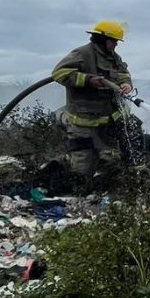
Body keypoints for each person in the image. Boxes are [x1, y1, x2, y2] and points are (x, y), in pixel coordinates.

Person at [52, 20, 135, 182]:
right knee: (83, 172)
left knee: (134, 131)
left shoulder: (114, 57)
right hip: (85, 121)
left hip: (111, 116)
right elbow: (59, 73)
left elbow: (123, 73)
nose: (116, 45)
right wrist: (87, 80)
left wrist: (126, 84)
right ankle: (81, 190)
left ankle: (133, 172)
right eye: (114, 41)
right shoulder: (82, 54)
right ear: (102, 39)